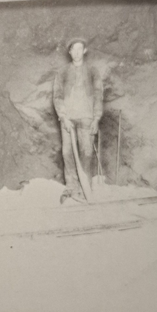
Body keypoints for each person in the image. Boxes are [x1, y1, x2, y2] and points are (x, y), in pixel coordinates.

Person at [53, 37, 103, 202]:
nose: (76, 52)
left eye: (79, 49)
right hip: (68, 119)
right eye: (73, 49)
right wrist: (63, 116)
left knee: (86, 154)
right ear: (69, 52)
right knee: (67, 153)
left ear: (84, 51)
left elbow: (98, 96)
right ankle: (71, 188)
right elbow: (57, 96)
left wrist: (96, 118)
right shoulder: (62, 72)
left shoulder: (93, 71)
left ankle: (84, 188)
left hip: (87, 118)